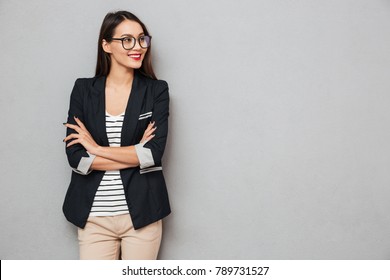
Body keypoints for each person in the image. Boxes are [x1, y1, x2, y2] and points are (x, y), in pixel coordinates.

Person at [62, 10, 171, 260]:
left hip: (143, 214)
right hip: (94, 217)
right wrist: (134, 153)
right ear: (106, 45)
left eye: (142, 39)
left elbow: (152, 154)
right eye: (127, 39)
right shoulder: (82, 90)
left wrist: (97, 149)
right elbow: (77, 158)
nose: (138, 47)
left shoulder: (156, 90)